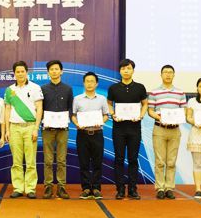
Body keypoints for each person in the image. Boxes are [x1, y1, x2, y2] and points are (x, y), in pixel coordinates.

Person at [107, 59, 148, 200]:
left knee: (133, 159)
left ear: (133, 70)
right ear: (120, 71)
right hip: (118, 128)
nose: (126, 71)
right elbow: (109, 103)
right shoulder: (113, 88)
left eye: (129, 68)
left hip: (134, 128)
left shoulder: (140, 87)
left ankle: (132, 189)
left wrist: (141, 115)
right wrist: (113, 114)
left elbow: (145, 104)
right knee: (119, 159)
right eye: (123, 68)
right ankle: (120, 189)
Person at [4, 61, 43, 199]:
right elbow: (7, 109)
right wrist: (7, 130)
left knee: (31, 160)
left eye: (22, 71)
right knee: (16, 161)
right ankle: (18, 188)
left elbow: (39, 108)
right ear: (14, 73)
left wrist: (36, 128)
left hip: (30, 127)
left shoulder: (35, 88)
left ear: (27, 72)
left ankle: (30, 188)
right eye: (17, 72)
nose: (20, 74)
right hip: (14, 127)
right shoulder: (9, 90)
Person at [147, 65, 187, 200]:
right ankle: (160, 188)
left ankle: (169, 188)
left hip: (175, 130)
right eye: (165, 72)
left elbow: (184, 110)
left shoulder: (180, 93)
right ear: (161, 75)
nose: (168, 74)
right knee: (159, 161)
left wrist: (177, 118)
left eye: (170, 72)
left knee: (171, 161)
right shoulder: (154, 93)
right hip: (159, 129)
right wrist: (160, 118)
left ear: (174, 75)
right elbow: (150, 111)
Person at [71, 72, 109, 200]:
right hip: (82, 134)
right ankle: (86, 188)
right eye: (87, 81)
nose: (89, 83)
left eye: (92, 81)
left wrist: (101, 121)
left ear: (96, 84)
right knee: (84, 162)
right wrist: (77, 124)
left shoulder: (102, 99)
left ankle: (97, 188)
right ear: (84, 83)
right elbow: (73, 115)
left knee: (97, 162)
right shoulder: (77, 99)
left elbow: (106, 115)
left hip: (97, 133)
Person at [41, 60, 73, 199]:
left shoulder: (68, 89)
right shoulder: (43, 89)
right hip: (47, 129)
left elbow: (70, 108)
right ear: (48, 72)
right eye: (51, 69)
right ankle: (48, 186)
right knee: (48, 160)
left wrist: (67, 119)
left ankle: (61, 187)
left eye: (56, 69)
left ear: (61, 71)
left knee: (61, 160)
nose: (54, 71)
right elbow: (40, 108)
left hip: (62, 129)